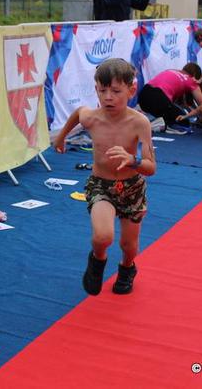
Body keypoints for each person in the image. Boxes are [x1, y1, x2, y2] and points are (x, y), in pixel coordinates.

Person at [53, 59, 156, 296]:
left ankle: (127, 268)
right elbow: (79, 114)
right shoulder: (93, 118)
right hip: (101, 185)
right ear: (96, 89)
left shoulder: (139, 122)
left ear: (131, 90)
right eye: (102, 90)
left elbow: (151, 167)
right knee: (103, 236)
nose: (108, 97)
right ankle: (97, 260)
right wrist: (61, 137)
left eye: (116, 91)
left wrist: (133, 160)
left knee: (128, 246)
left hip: (132, 188)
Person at [137, 63, 202, 133]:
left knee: (169, 111)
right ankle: (156, 124)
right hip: (159, 98)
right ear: (195, 75)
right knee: (184, 122)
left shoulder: (171, 70)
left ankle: (151, 118)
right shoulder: (191, 81)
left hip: (143, 95)